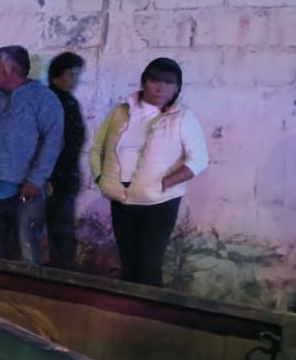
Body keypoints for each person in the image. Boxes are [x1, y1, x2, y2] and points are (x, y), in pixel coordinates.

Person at [88, 58, 207, 287]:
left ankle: (148, 316)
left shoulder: (183, 118)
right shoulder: (120, 112)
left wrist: (164, 183)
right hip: (121, 199)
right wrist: (101, 178)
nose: (160, 87)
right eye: (154, 80)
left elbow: (199, 160)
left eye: (168, 82)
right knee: (129, 262)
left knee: (149, 265)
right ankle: (126, 314)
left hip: (159, 203)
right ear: (144, 81)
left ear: (177, 88)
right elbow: (97, 148)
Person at [0, 45, 63, 266]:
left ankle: (28, 296)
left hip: (25, 190)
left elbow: (53, 142)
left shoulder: (44, 99)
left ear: (12, 70)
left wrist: (36, 179)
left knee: (27, 251)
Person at [46, 52, 88, 270]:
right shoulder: (54, 102)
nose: (75, 81)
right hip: (53, 179)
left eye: (77, 75)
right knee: (60, 233)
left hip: (63, 178)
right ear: (57, 76)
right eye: (71, 75)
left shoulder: (67, 101)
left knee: (61, 232)